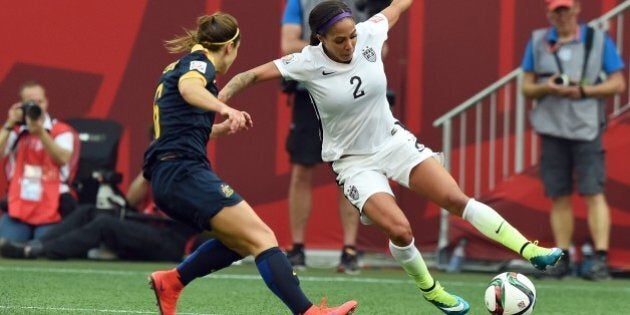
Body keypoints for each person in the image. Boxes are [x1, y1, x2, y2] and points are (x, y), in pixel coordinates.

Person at [219, 1, 564, 313]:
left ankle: (529, 250)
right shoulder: (306, 62)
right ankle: (431, 289)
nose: (350, 45)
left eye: (352, 36)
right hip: (353, 162)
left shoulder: (370, 32)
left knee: (455, 199)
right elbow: (246, 76)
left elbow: (399, 5)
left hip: (394, 141)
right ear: (320, 38)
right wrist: (220, 104)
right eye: (340, 40)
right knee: (400, 230)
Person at [141, 13, 357, 315]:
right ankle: (309, 313)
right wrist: (224, 108)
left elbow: (179, 124)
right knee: (263, 238)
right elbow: (190, 90)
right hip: (183, 173)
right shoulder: (199, 64)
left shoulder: (177, 66)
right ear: (230, 47)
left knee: (240, 242)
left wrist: (216, 128)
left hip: (172, 173)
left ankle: (172, 282)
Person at [520, 0, 625, 280]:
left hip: (586, 128)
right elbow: (526, 87)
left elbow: (618, 83)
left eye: (567, 9)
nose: (563, 15)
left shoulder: (599, 40)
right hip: (552, 128)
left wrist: (583, 91)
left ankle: (600, 259)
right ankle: (561, 259)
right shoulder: (538, 41)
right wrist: (546, 86)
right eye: (557, 11)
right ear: (549, 14)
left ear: (577, 10)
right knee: (559, 194)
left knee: (593, 191)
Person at [281, 0, 369, 275]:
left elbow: (379, 46)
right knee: (302, 169)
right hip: (310, 92)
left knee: (350, 170)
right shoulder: (300, 1)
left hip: (350, 94)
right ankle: (296, 248)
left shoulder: (364, 3)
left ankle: (350, 249)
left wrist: (343, 48)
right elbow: (288, 43)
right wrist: (333, 50)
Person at [0, 173, 203, 262]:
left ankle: (42, 251)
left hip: (170, 239)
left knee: (105, 224)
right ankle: (34, 245)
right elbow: (131, 201)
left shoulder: (185, 170)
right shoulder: (158, 166)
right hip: (145, 227)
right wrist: (149, 168)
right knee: (88, 210)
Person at [0, 81, 79, 243]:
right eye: (30, 103)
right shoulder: (15, 131)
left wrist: (41, 133)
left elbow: (62, 158)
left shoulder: (62, 131)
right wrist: (9, 123)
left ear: (46, 102)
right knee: (6, 245)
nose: (36, 106)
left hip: (53, 206)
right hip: (20, 205)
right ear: (21, 105)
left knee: (44, 249)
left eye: (39, 102)